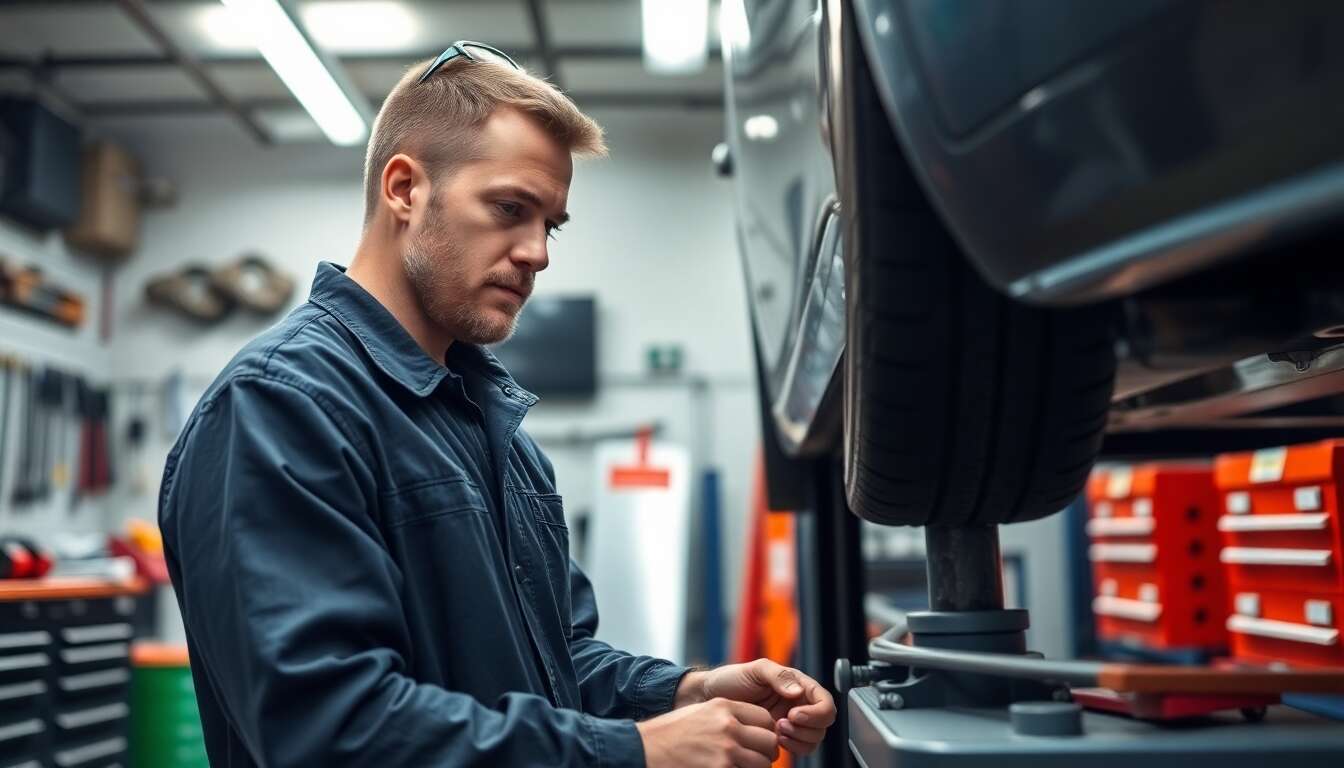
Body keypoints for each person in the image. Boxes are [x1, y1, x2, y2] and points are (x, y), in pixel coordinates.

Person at [159, 41, 836, 767]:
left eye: (551, 224)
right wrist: (633, 750)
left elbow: (555, 660)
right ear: (404, 189)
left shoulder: (495, 428)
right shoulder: (280, 407)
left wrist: (684, 693)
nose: (538, 252)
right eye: (510, 208)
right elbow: (330, 729)